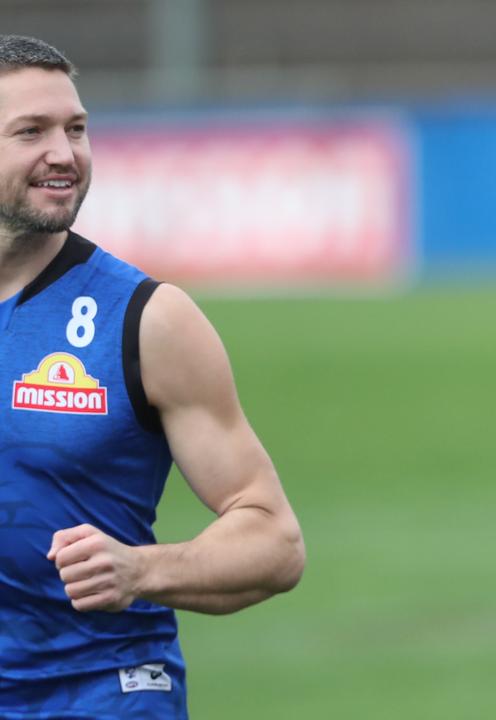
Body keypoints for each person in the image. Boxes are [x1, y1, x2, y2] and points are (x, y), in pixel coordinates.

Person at [0, 35, 305, 718]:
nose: (65, 153)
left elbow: (274, 540)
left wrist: (142, 569)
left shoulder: (145, 320)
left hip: (101, 696)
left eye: (76, 128)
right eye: (32, 131)